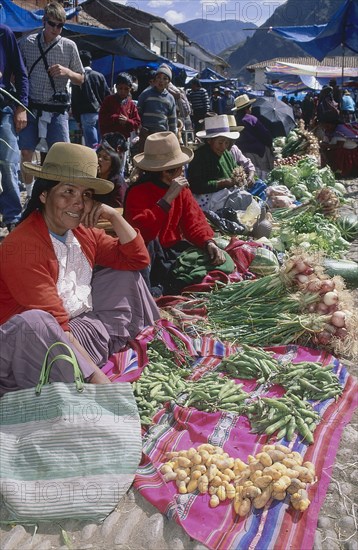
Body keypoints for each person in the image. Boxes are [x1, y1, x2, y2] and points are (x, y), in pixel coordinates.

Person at [0, 142, 159, 395]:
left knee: (124, 275)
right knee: (37, 322)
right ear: (44, 195)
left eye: (85, 195)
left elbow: (137, 260)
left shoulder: (82, 233)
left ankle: (87, 363)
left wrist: (115, 217)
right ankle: (78, 377)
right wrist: (104, 389)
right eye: (68, 192)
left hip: (73, 329)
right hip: (28, 349)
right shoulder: (22, 246)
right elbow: (55, 327)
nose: (77, 203)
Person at [124, 132, 227, 296]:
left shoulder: (182, 189)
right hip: (147, 255)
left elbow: (193, 221)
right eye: (180, 168)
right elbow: (142, 233)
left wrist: (208, 242)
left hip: (172, 252)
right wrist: (166, 200)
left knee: (221, 264)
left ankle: (166, 286)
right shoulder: (137, 192)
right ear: (166, 173)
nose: (183, 171)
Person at [18, 2, 84, 199]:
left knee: (61, 155)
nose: (56, 29)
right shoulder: (26, 43)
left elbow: (81, 78)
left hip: (57, 109)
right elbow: (17, 74)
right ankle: (30, 195)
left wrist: (67, 72)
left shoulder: (69, 46)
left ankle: (55, 195)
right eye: (52, 24)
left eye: (60, 26)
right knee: (26, 152)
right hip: (31, 107)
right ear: (44, 21)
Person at [186, 114, 254, 213]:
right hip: (209, 203)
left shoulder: (226, 153)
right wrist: (222, 183)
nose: (223, 147)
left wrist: (240, 176)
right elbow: (196, 185)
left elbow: (235, 169)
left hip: (228, 197)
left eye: (226, 143)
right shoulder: (199, 157)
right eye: (220, 143)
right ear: (209, 140)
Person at [0, 24, 28, 233]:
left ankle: (13, 218)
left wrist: (22, 107)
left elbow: (20, 72)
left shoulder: (4, 33)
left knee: (9, 163)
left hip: (4, 107)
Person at [71, 50, 110, 148]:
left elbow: (75, 99)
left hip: (86, 114)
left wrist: (77, 118)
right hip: (101, 113)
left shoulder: (78, 78)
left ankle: (94, 162)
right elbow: (107, 95)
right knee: (102, 144)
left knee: (91, 146)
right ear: (90, 62)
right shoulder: (99, 76)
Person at [233, 94, 274, 180]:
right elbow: (265, 135)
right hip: (255, 152)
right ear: (247, 108)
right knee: (260, 175)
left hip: (240, 152)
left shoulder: (234, 120)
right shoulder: (252, 119)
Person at [136, 64, 177, 138]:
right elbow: (138, 113)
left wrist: (173, 135)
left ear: (168, 82)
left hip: (162, 135)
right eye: (158, 77)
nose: (161, 81)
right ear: (154, 80)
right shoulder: (145, 94)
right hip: (146, 133)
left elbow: (172, 120)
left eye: (165, 78)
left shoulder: (170, 98)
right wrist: (140, 128)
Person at [99, 72, 140, 141]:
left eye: (126, 89)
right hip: (109, 139)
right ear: (116, 87)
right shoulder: (108, 100)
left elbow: (137, 123)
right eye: (120, 88)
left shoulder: (131, 104)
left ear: (130, 89)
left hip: (124, 140)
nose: (122, 91)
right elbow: (102, 119)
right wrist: (116, 118)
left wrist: (127, 121)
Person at [96, 132, 128, 207]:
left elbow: (119, 210)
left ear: (113, 165)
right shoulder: (92, 178)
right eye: (98, 156)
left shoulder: (117, 183)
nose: (99, 159)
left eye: (105, 158)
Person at [226, 115, 255, 185]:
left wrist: (250, 177)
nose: (232, 142)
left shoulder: (234, 149)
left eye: (233, 140)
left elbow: (248, 164)